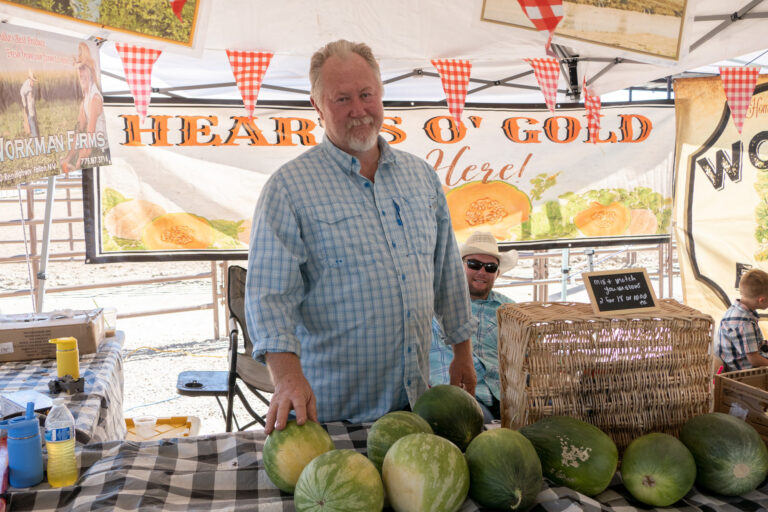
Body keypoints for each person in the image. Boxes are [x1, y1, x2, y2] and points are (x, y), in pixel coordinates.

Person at [245, 39, 477, 434]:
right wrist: (286, 378)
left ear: (381, 94)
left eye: (366, 95)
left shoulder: (420, 177)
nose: (358, 110)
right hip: (333, 414)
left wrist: (463, 352)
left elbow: (446, 274)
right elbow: (269, 298)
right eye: (342, 99)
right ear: (317, 107)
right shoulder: (288, 188)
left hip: (414, 407)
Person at [430, 230, 518, 422]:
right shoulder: (433, 305)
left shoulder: (511, 310)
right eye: (474, 264)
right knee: (475, 422)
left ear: (498, 273)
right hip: (455, 395)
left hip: (507, 396)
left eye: (490, 267)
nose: (482, 272)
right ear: (459, 267)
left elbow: (533, 351)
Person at [60, 44, 106, 172]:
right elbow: (78, 132)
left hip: (100, 152)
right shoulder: (85, 100)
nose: (80, 73)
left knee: (83, 152)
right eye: (78, 69)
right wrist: (68, 158)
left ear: (91, 72)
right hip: (93, 150)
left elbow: (89, 143)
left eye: (83, 68)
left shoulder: (95, 99)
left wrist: (76, 165)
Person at [716, 268, 768, 372]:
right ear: (762, 300)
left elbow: (755, 344)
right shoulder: (744, 322)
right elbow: (754, 360)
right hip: (747, 374)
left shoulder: (736, 311)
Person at [20, 69, 39, 138]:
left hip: (32, 107)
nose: (33, 82)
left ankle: (36, 138)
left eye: (34, 80)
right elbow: (22, 93)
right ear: (29, 79)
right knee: (32, 125)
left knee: (35, 123)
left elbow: (32, 97)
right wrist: (25, 105)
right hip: (28, 108)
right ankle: (36, 141)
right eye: (32, 80)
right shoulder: (26, 86)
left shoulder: (32, 86)